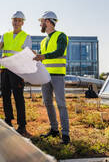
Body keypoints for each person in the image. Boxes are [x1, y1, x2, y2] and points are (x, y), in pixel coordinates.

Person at [0, 11, 32, 136]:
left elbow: (26, 54)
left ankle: (22, 125)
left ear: (23, 23)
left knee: (18, 96)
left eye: (19, 20)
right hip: (5, 68)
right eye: (15, 20)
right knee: (5, 94)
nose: (16, 22)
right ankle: (8, 120)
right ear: (12, 21)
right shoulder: (5, 35)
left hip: (17, 69)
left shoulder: (26, 36)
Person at [33, 11, 70, 145]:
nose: (40, 24)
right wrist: (34, 55)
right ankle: (54, 130)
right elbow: (41, 56)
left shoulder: (61, 36)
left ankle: (65, 134)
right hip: (45, 76)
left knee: (61, 104)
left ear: (48, 21)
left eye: (41, 22)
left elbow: (59, 52)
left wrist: (43, 56)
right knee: (48, 103)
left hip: (57, 76)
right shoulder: (43, 41)